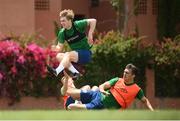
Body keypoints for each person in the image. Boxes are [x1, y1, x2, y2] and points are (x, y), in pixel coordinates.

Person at [64, 64, 154, 111]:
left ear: (133, 76)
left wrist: (152, 111)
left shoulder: (136, 89)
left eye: (127, 73)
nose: (124, 74)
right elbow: (103, 85)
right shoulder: (117, 80)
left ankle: (74, 105)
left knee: (71, 107)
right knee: (69, 92)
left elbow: (145, 100)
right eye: (124, 72)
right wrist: (102, 90)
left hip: (101, 105)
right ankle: (70, 88)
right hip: (97, 94)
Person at [47, 9, 97, 78]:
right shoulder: (62, 33)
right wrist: (55, 48)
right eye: (61, 21)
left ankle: (57, 71)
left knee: (68, 54)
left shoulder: (77, 25)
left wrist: (90, 33)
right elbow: (59, 47)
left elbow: (93, 21)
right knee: (59, 56)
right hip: (75, 56)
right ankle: (76, 73)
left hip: (86, 54)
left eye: (64, 21)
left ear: (70, 20)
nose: (62, 23)